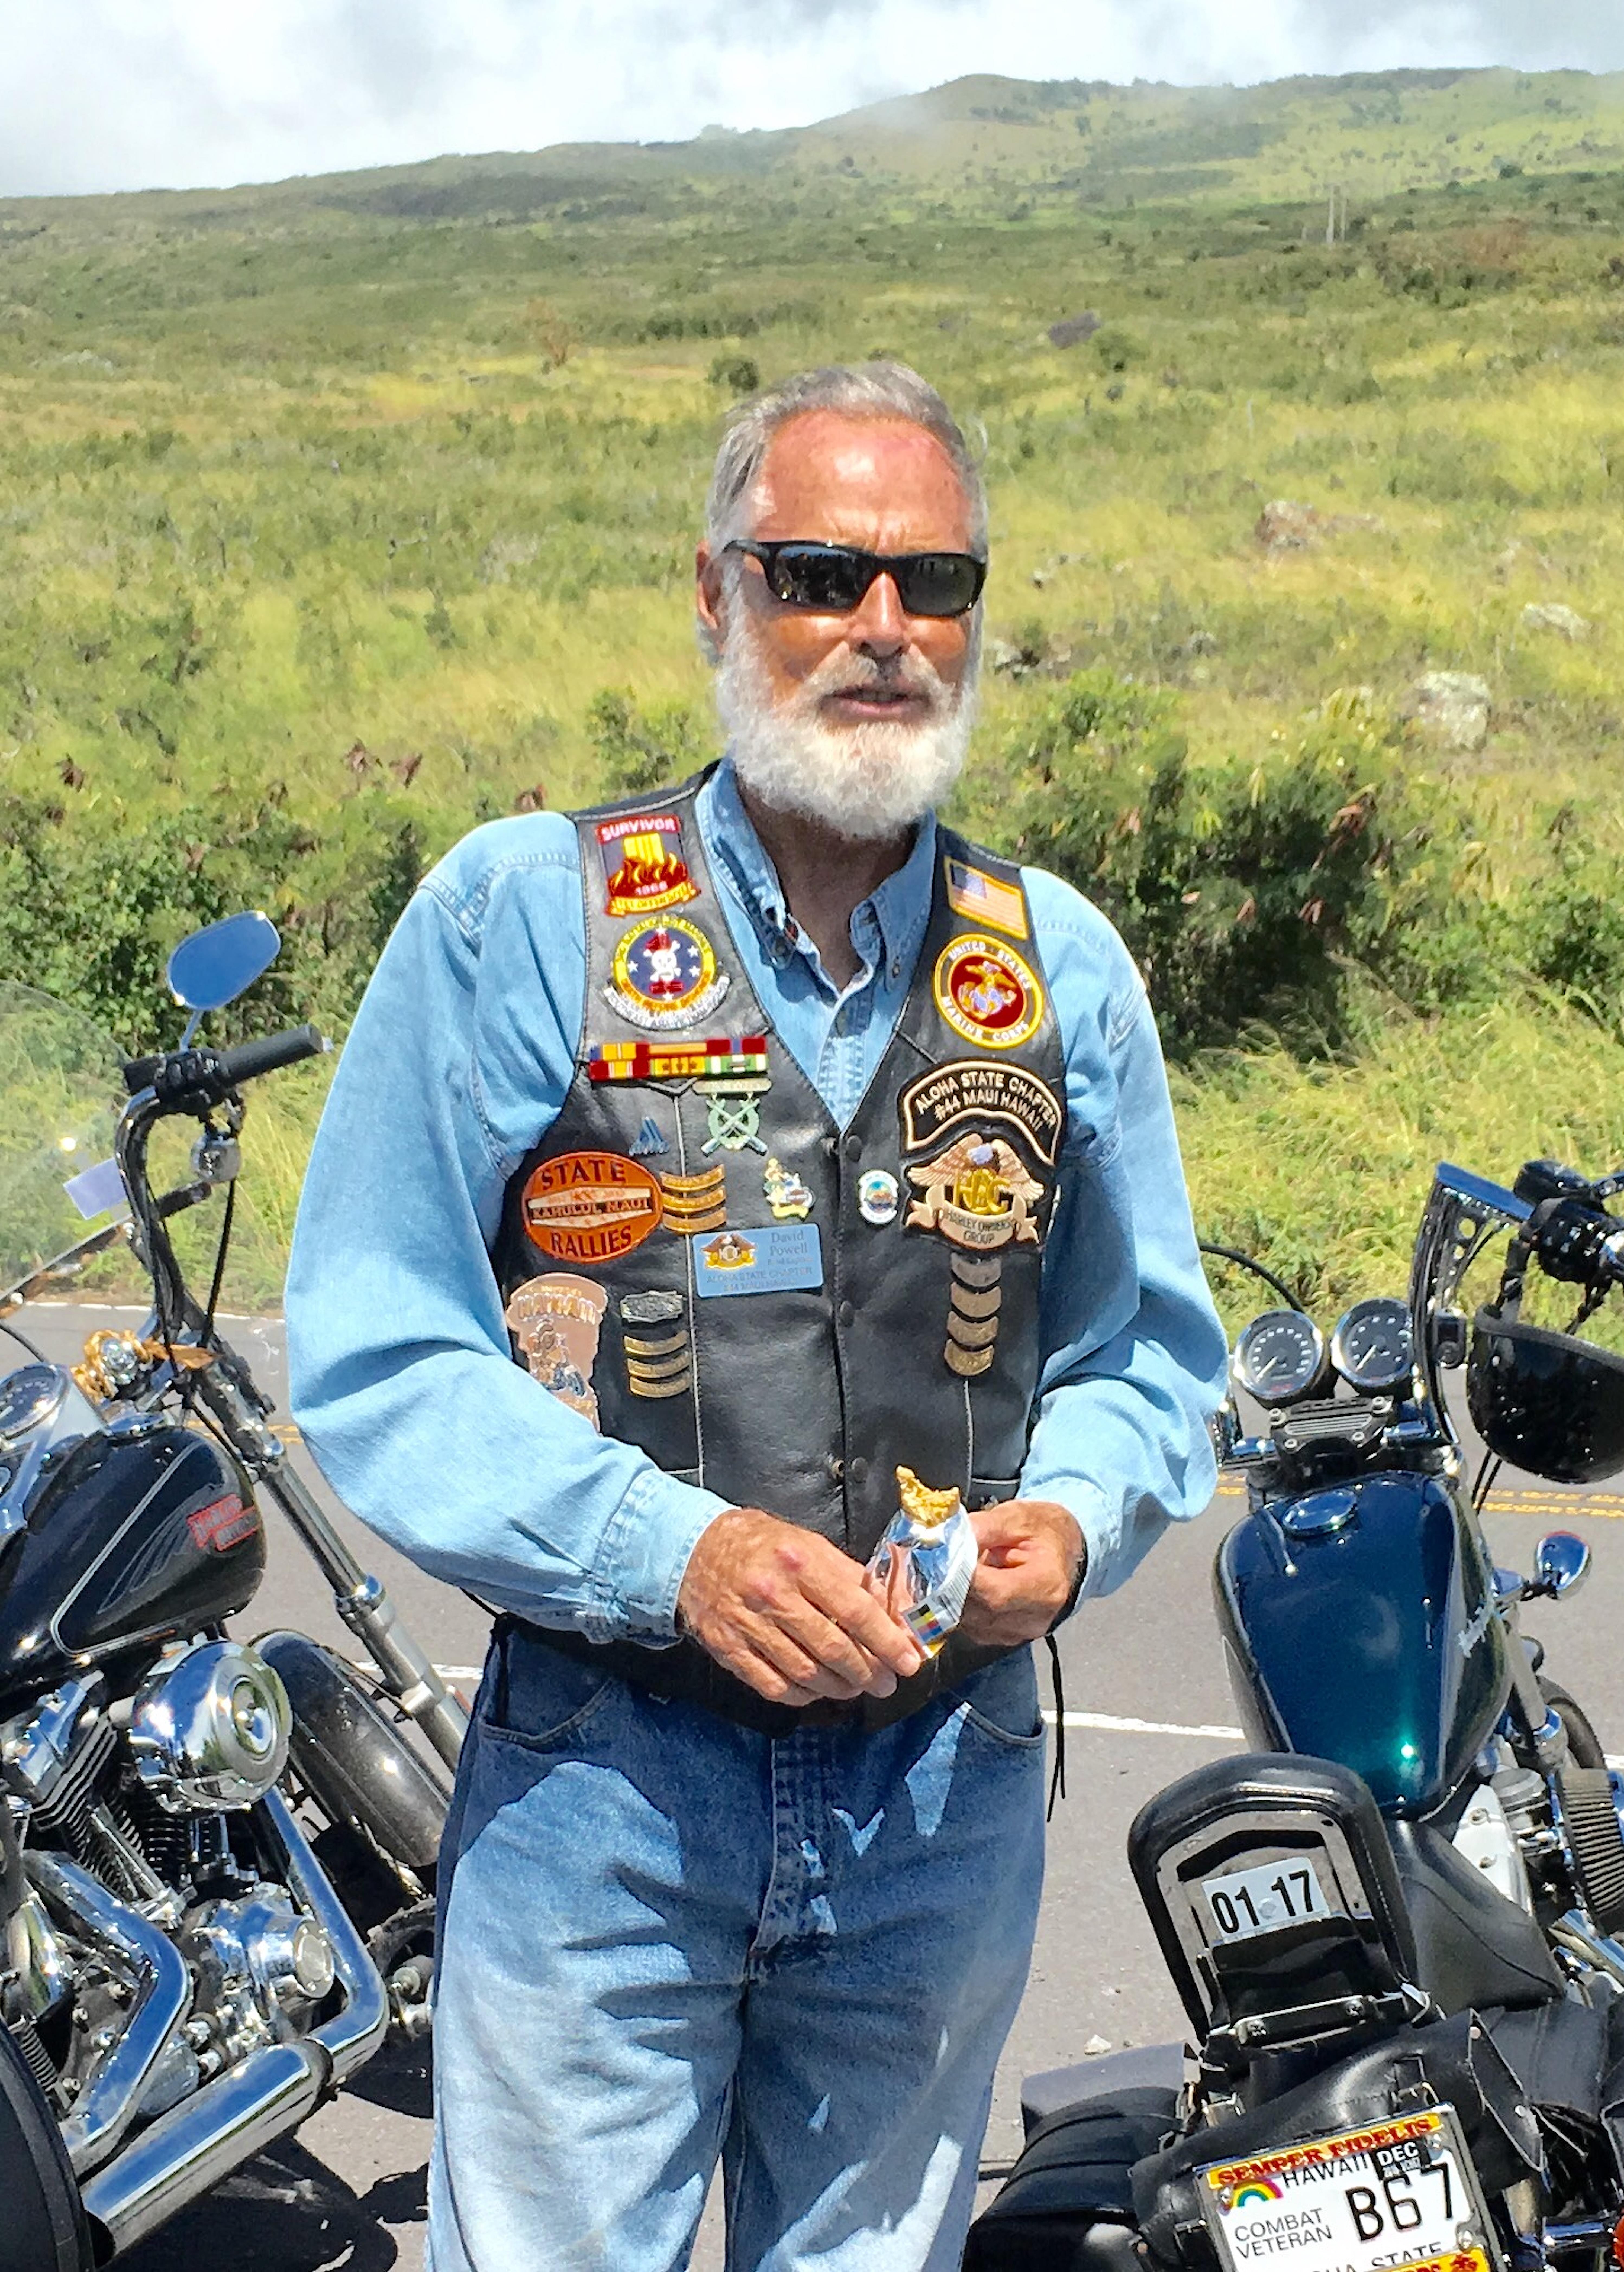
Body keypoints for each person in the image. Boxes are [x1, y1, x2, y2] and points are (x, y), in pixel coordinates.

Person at [286, 360, 1227, 2272]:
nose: (884, 631)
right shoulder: (521, 918)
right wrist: (667, 1551)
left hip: (942, 1800)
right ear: (715, 595)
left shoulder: (1057, 963)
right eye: (819, 573)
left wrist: (1082, 1510)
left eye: (934, 584)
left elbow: (1145, 1353)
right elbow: (380, 1341)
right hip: (608, 1787)